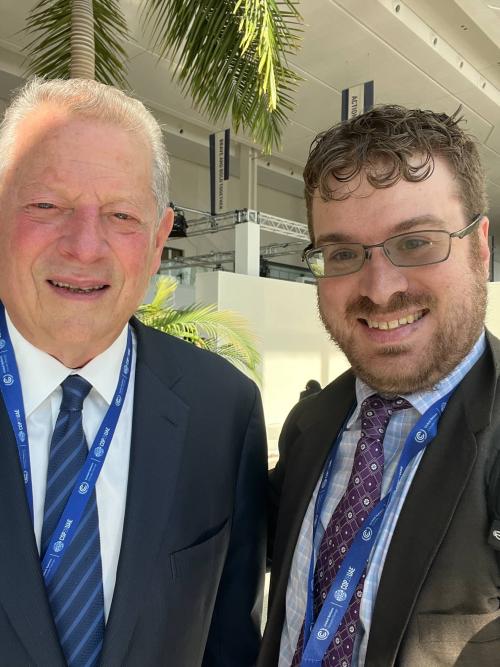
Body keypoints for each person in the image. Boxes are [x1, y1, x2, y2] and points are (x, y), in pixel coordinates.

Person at [0, 77, 267, 667]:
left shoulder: (223, 412)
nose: (85, 246)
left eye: (121, 215)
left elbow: (229, 642)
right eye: (47, 205)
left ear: (157, 240)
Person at [259, 105, 500, 667]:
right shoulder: (311, 424)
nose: (379, 288)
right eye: (343, 254)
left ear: (480, 247)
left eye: (415, 242)